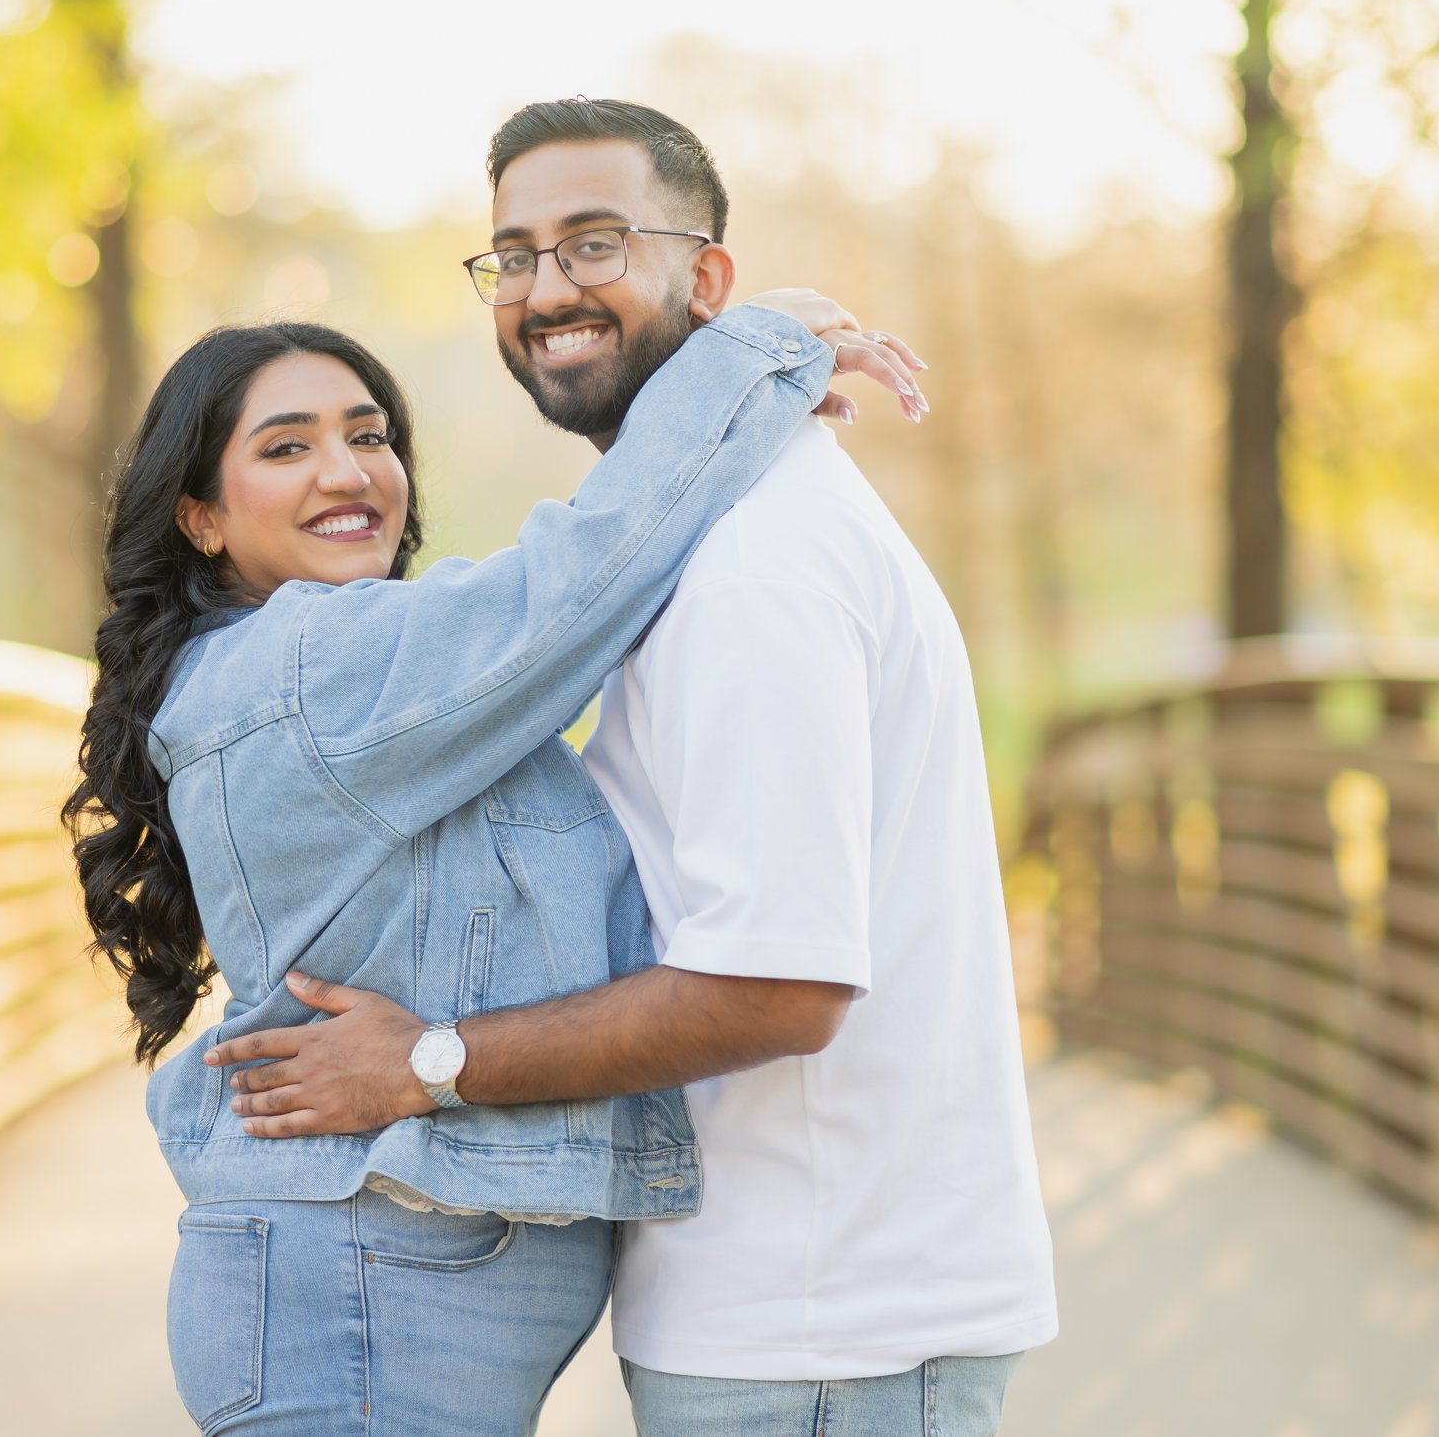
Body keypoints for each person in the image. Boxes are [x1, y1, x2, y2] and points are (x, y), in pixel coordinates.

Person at [208, 99, 1058, 1437]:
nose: (549, 290)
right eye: (516, 254)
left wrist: (426, 1058)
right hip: (793, 1311)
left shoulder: (750, 572)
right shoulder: (709, 541)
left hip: (821, 1324)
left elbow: (778, 981)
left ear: (705, 278)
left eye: (596, 242)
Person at [63, 277, 923, 1424]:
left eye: (369, 433)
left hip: (375, 1293)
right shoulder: (311, 664)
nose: (347, 469)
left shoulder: (323, 669)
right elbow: (577, 582)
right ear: (200, 517)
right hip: (354, 1304)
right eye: (286, 446)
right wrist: (756, 353)